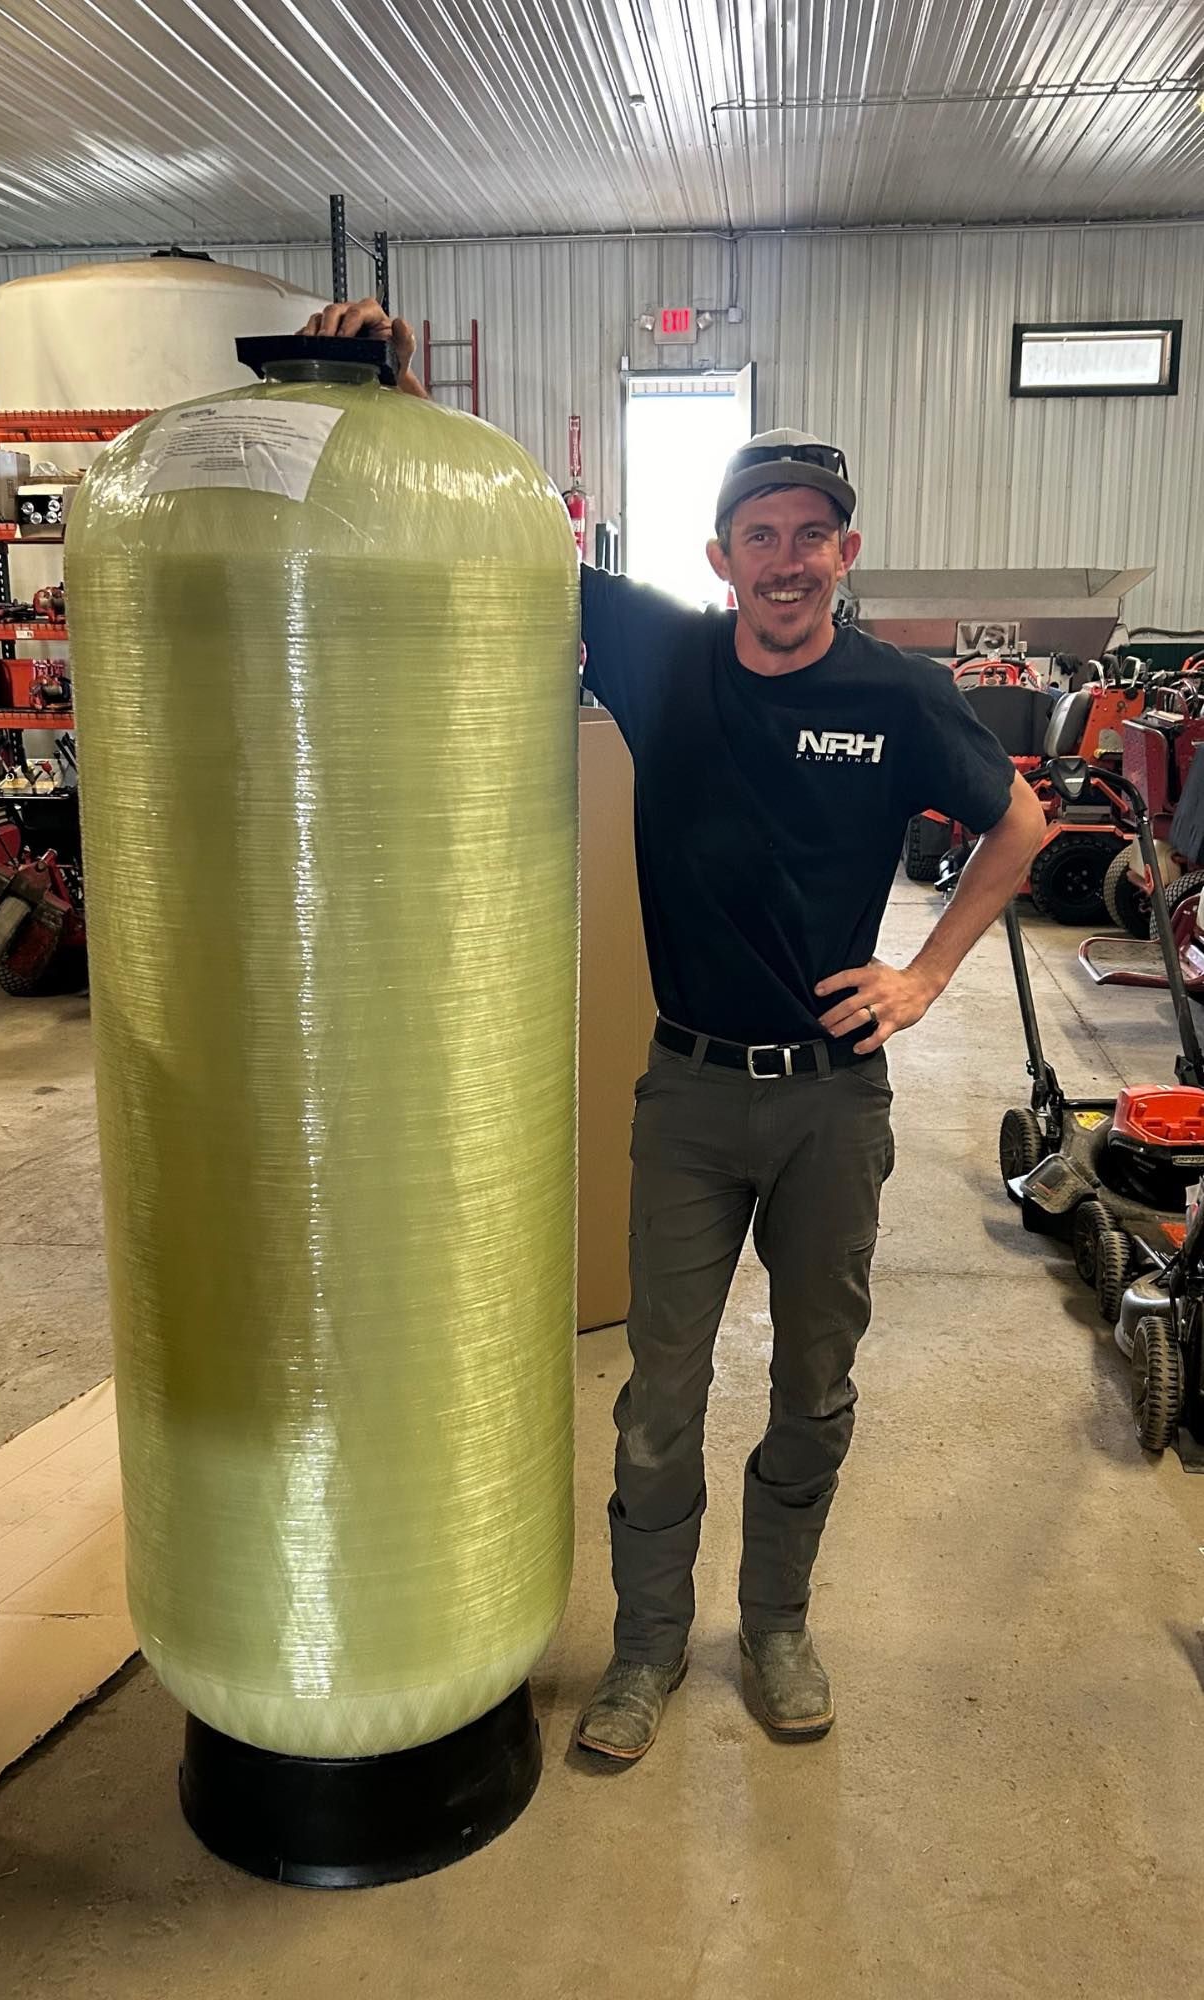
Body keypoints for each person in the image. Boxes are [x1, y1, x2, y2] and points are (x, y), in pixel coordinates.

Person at [304, 298, 1046, 1756]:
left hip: (837, 1103)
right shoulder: (658, 654)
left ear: (846, 550)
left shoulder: (898, 693)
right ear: (720, 559)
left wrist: (925, 977)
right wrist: (393, 392)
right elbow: (513, 526)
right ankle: (646, 1650)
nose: (785, 557)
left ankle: (775, 1627)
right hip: (692, 1099)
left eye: (809, 533)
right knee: (663, 1388)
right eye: (757, 535)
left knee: (818, 1382)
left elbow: (1023, 822)